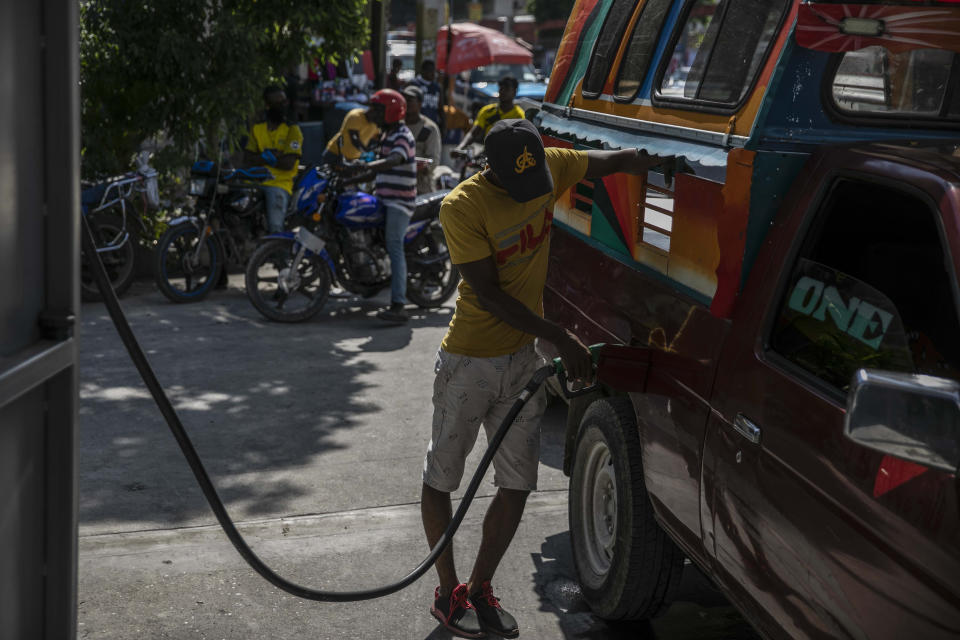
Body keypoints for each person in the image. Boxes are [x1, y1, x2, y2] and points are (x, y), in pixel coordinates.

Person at [421, 119, 667, 638]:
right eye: (519, 186)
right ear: (494, 170)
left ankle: (479, 588)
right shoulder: (461, 206)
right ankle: (447, 593)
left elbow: (607, 162)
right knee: (442, 480)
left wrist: (659, 158)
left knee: (517, 485)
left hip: (520, 362)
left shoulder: (548, 166)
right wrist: (561, 335)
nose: (533, 195)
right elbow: (488, 293)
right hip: (468, 361)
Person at [357, 89, 418, 324]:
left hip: (399, 202)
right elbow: (373, 161)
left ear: (391, 111)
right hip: (382, 198)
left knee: (394, 246)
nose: (372, 113)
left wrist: (366, 169)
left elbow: (394, 160)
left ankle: (399, 304)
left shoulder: (403, 134)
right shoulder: (385, 135)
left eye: (377, 109)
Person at [243, 85, 303, 233]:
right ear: (268, 106)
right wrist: (269, 157)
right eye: (278, 103)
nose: (283, 106)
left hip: (279, 183)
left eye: (284, 102)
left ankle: (279, 255)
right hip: (254, 181)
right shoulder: (257, 128)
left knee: (275, 227)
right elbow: (247, 159)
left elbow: (288, 164)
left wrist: (262, 158)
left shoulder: (292, 130)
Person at [452, 75, 523, 157]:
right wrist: (460, 147)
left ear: (514, 92)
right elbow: (473, 133)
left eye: (507, 89)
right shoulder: (487, 111)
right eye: (501, 88)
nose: (502, 91)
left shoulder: (519, 115)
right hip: (487, 154)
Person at [401, 85, 442, 195]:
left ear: (420, 103)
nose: (406, 103)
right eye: (404, 99)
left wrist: (421, 167)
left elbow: (434, 160)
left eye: (410, 100)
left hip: (420, 187)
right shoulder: (397, 124)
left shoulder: (429, 128)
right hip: (397, 184)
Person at [410, 59, 444, 135]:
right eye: (430, 71)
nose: (433, 74)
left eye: (434, 71)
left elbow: (440, 108)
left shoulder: (437, 87)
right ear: (423, 71)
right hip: (416, 126)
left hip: (432, 125)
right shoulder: (413, 84)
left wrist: (443, 126)